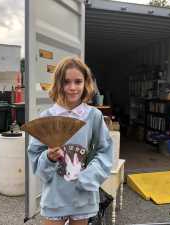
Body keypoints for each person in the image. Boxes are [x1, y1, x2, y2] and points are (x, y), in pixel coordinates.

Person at [28, 57, 113, 225]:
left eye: (78, 81)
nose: (72, 87)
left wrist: (87, 178)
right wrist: (49, 157)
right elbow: (36, 160)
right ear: (59, 83)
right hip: (54, 197)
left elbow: (105, 151)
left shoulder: (93, 116)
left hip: (83, 196)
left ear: (86, 83)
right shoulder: (47, 117)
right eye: (66, 82)